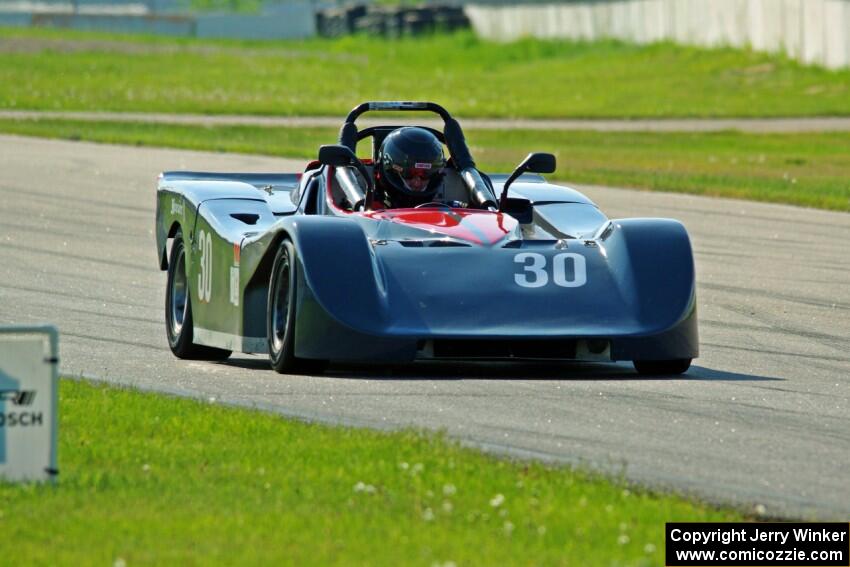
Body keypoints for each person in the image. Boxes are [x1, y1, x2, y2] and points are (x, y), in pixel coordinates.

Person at [374, 127, 447, 209]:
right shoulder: (368, 209)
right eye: (409, 174)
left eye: (425, 174)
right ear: (393, 172)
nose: (417, 183)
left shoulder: (449, 210)